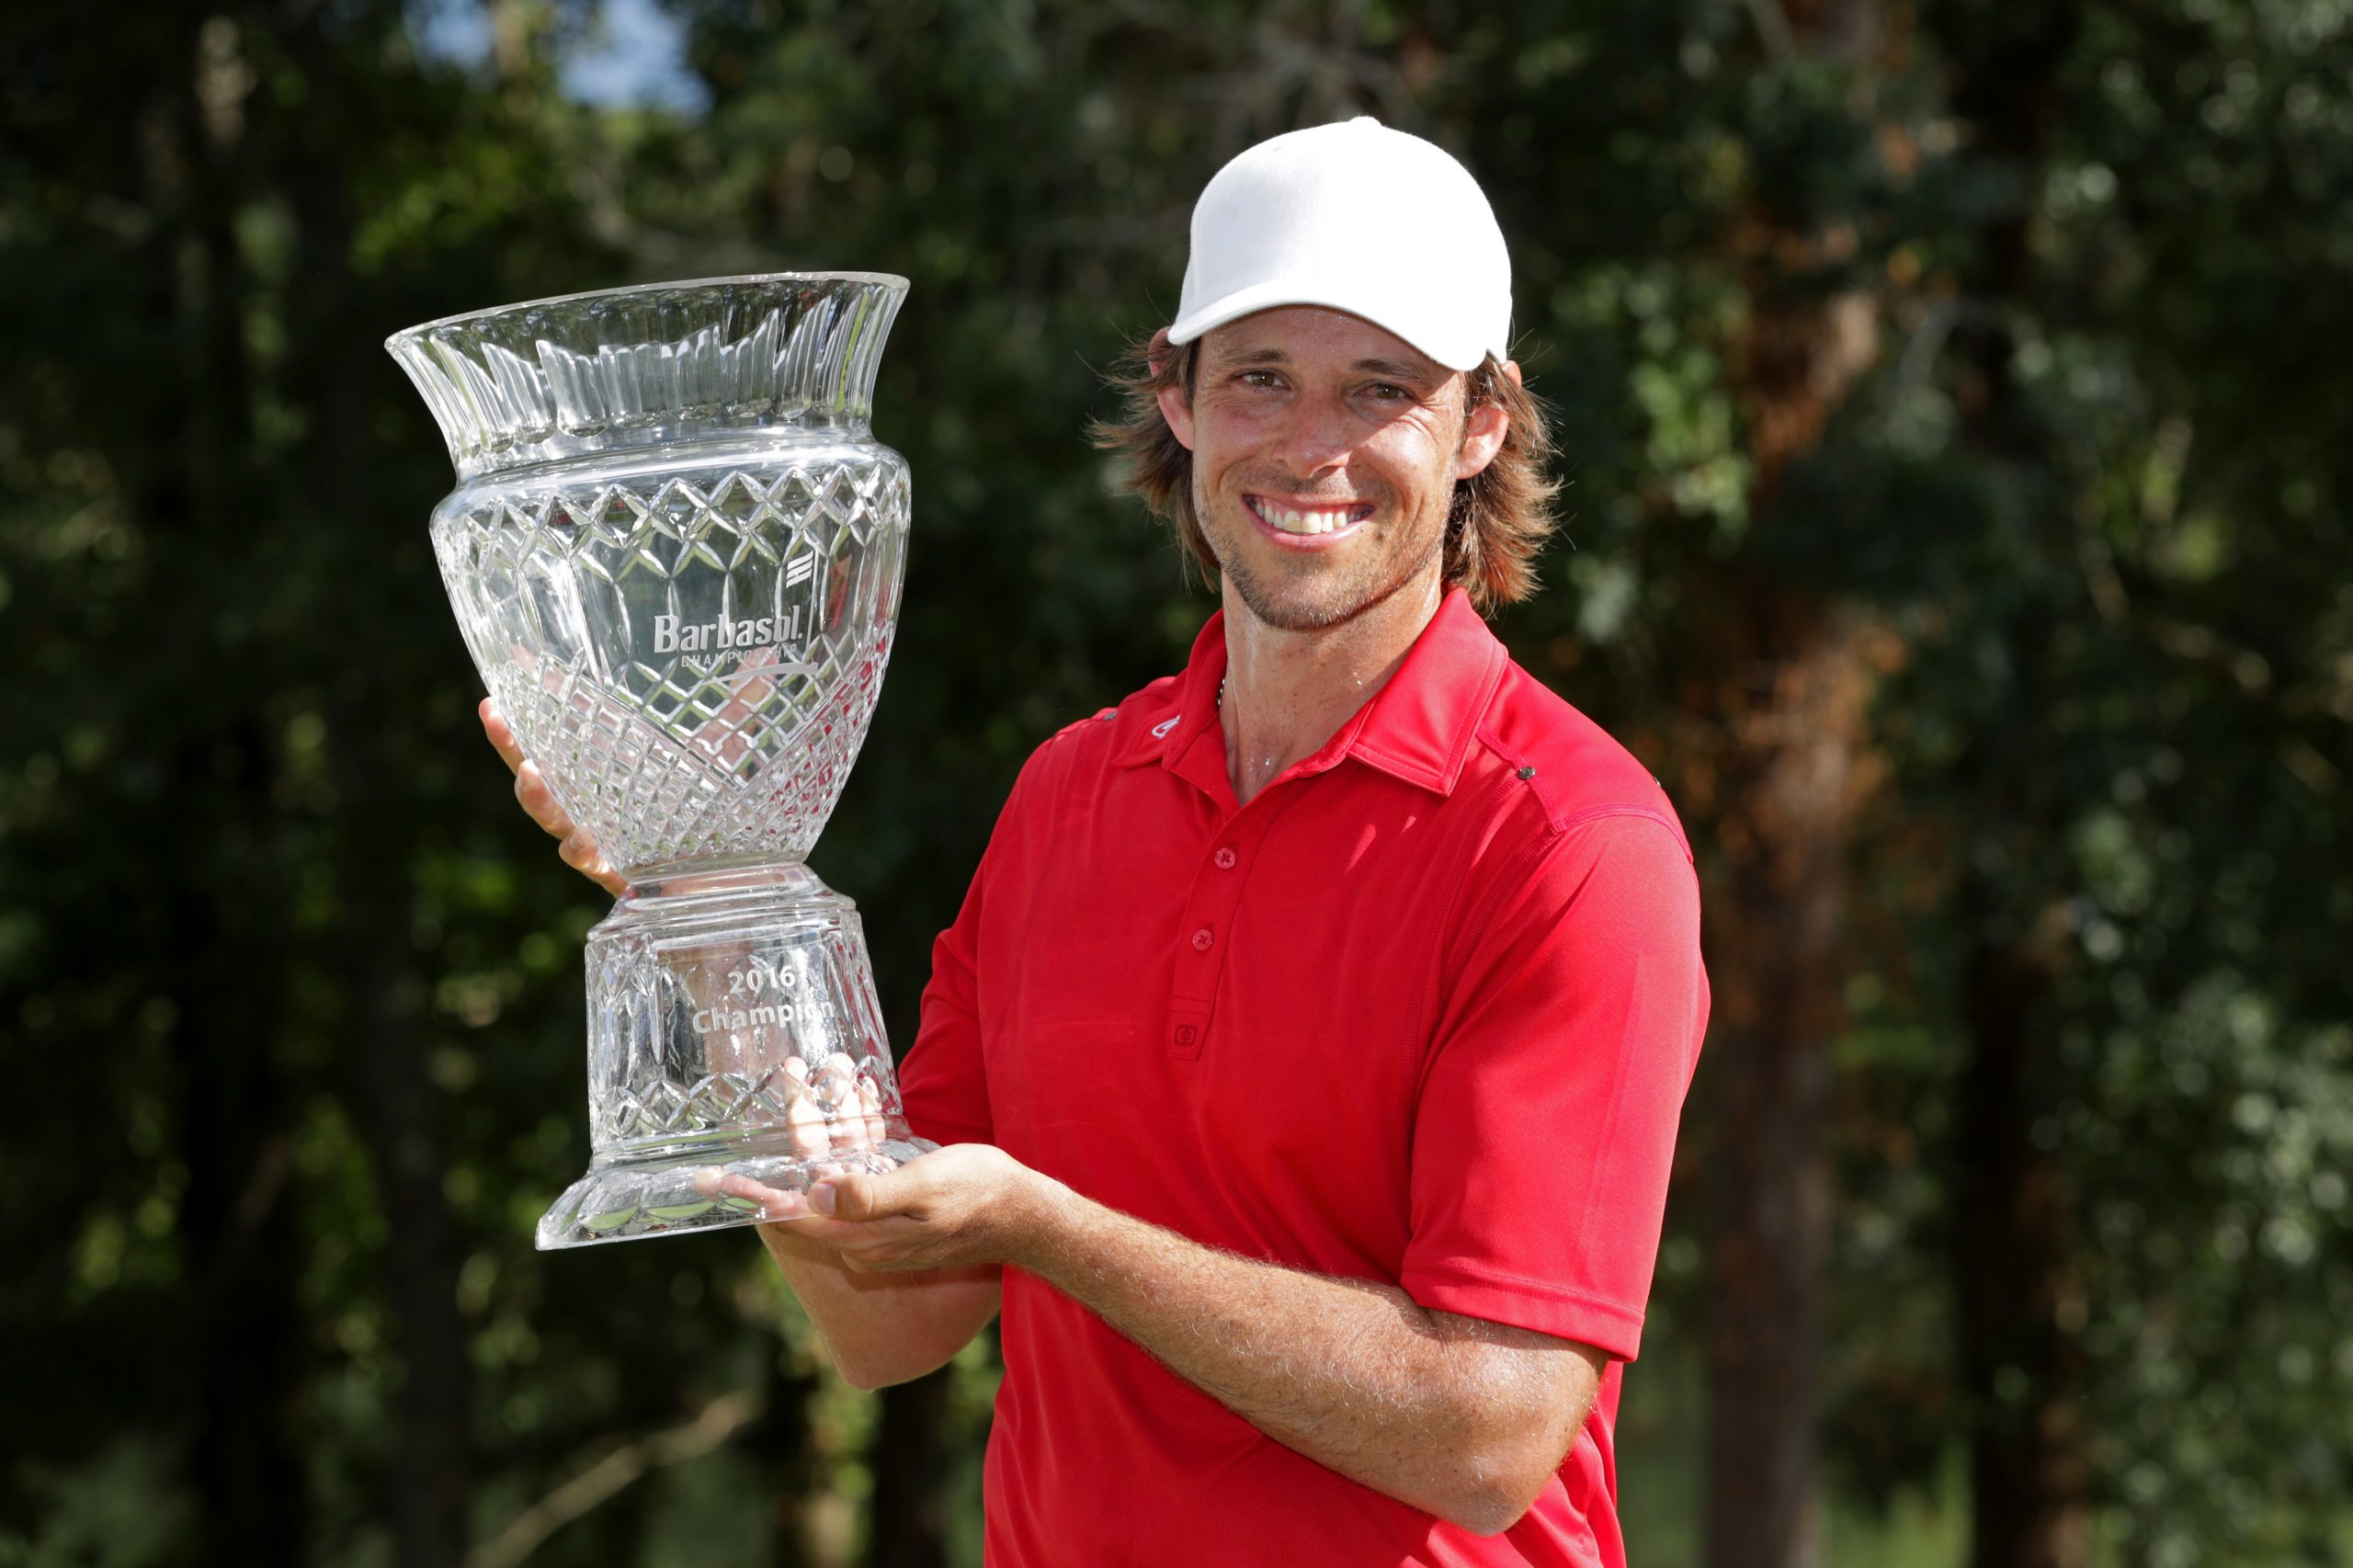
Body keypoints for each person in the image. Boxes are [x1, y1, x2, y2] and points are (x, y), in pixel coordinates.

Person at [483, 117, 1709, 1566]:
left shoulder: (1574, 842)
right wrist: (702, 888)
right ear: (1177, 395)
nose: (1310, 444)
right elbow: (890, 1318)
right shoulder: (1071, 792)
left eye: (1380, 388)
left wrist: (1056, 1229)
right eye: (1259, 377)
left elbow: (1489, 1433)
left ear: (1481, 427)